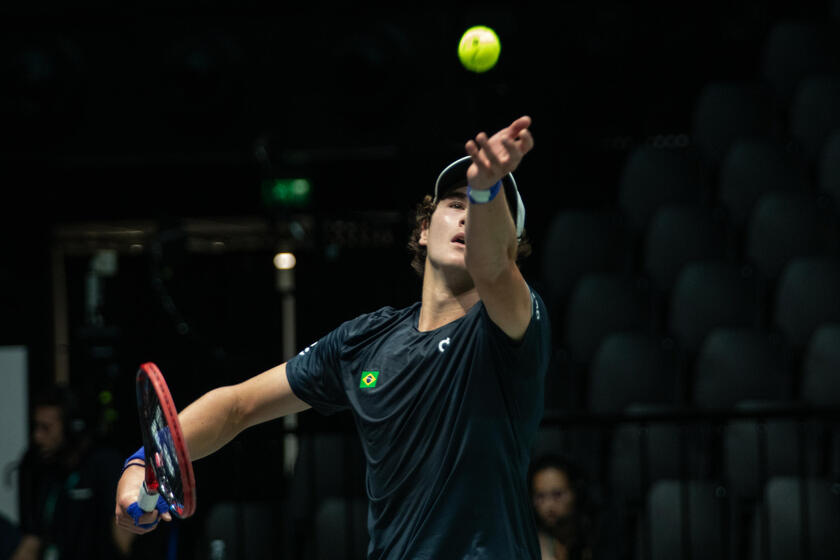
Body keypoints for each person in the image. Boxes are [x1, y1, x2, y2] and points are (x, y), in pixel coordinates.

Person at [115, 115, 551, 558]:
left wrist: (486, 189)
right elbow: (238, 406)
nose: (468, 217)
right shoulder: (365, 342)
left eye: (482, 212)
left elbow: (493, 267)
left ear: (511, 249)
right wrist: (143, 461)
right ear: (423, 229)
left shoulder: (512, 328)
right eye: (455, 205)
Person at [11, 386, 133, 560]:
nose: (37, 437)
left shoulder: (103, 464)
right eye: (36, 427)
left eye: (46, 428)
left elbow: (123, 538)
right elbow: (32, 540)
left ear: (72, 428)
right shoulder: (34, 466)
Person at [528, 454, 594, 560]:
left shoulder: (596, 537)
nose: (548, 505)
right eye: (540, 497)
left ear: (576, 492)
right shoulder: (531, 544)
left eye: (557, 495)